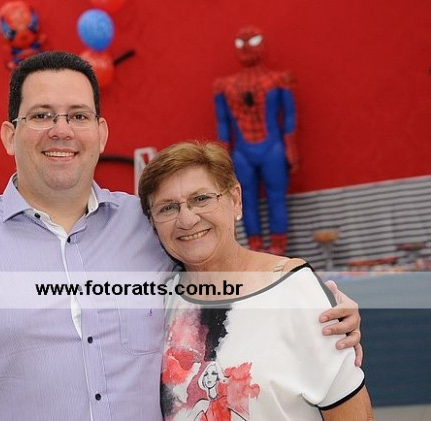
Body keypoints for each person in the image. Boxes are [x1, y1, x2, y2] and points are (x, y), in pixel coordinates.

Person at [0, 52, 361, 421]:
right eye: (42, 115)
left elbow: (222, 269)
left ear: (101, 132)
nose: (61, 130)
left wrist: (314, 304)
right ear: (10, 134)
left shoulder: (148, 224)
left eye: (78, 115)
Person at [138, 141, 374, 420]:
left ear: (235, 199)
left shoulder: (295, 291)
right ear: (152, 223)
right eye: (167, 208)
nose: (187, 219)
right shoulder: (157, 301)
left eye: (201, 199)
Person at [213, 25, 297, 255]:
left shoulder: (278, 80)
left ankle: (278, 248)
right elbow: (222, 124)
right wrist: (221, 158)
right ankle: (255, 248)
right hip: (243, 152)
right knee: (244, 198)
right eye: (241, 43)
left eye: (253, 42)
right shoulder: (224, 87)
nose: (247, 48)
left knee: (275, 197)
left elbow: (289, 116)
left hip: (272, 149)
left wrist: (291, 148)